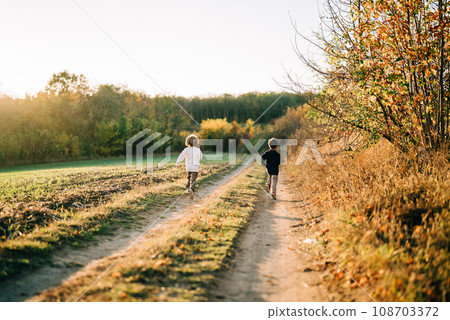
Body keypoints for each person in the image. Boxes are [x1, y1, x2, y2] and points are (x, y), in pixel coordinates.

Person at [176, 134, 203, 199]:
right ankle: (192, 190)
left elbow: (181, 156)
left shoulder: (186, 149)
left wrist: (177, 162)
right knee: (193, 179)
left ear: (187, 142)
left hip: (188, 167)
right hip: (195, 167)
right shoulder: (197, 150)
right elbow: (200, 157)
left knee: (188, 178)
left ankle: (188, 188)